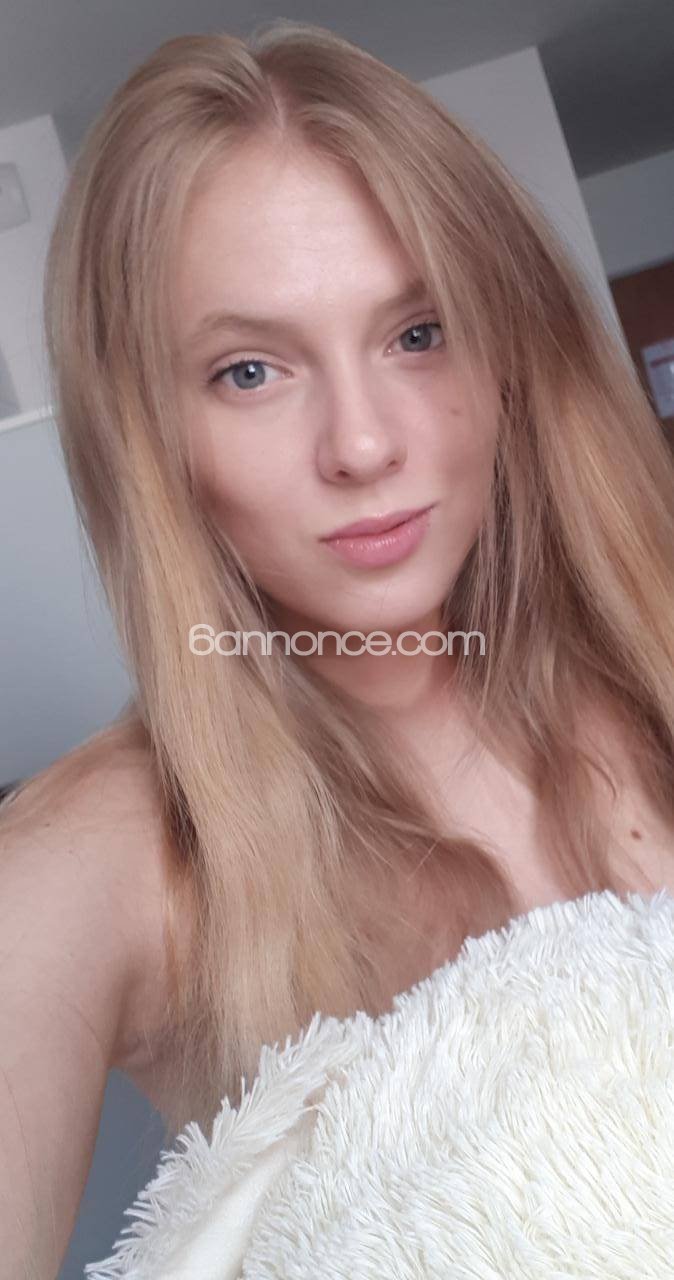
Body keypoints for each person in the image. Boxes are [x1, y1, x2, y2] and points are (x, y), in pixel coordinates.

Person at [1, 19, 673, 1278]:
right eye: (249, 370)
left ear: (512, 352)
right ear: (151, 442)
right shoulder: (123, 851)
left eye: (418, 332)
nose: (361, 444)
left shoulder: (651, 663)